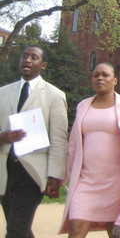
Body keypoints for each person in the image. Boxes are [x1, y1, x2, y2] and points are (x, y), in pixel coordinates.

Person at [59, 62, 120, 238]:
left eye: (105, 75)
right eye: (96, 75)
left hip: (117, 183)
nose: (100, 78)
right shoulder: (83, 106)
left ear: (115, 80)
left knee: (117, 232)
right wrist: (60, 178)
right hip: (86, 180)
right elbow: (73, 145)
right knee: (76, 227)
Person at [0, 46, 68, 238]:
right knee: (17, 226)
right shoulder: (3, 93)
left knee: (16, 228)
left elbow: (59, 140)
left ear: (43, 65)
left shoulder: (54, 96)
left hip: (32, 172)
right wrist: (2, 137)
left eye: (34, 57)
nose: (27, 60)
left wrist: (55, 175)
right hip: (5, 170)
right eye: (24, 56)